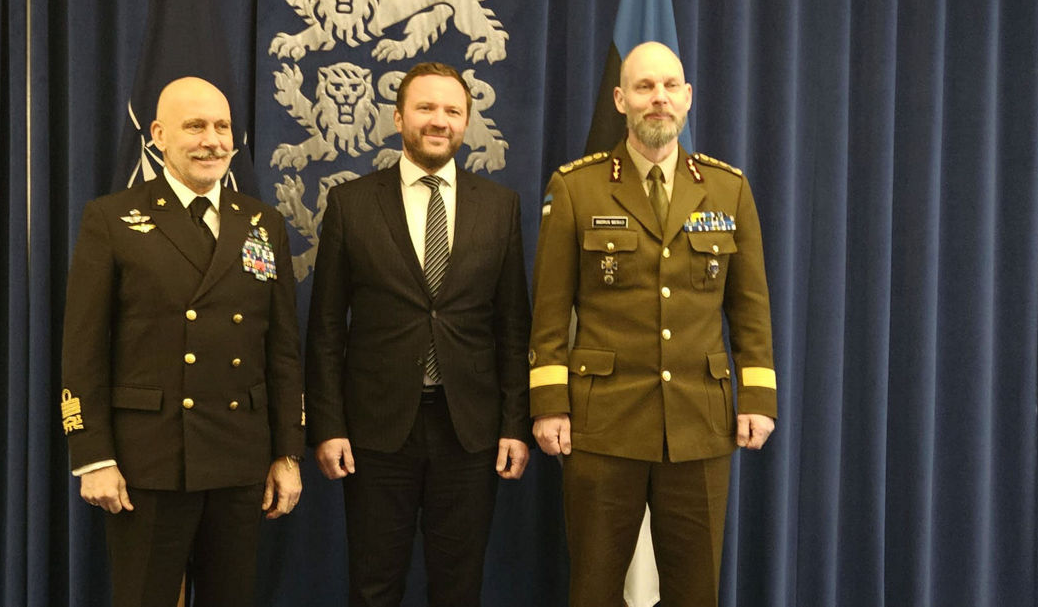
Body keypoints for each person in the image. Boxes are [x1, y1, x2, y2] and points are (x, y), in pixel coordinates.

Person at [528, 42, 777, 607]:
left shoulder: (728, 188)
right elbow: (549, 309)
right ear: (621, 99)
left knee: (695, 592)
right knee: (592, 588)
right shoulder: (576, 187)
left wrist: (757, 395)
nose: (657, 99)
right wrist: (549, 404)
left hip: (699, 422)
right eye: (643, 87)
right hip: (602, 421)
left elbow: (750, 306)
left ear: (687, 99)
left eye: (669, 87)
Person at [59, 76, 304, 607]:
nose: (212, 140)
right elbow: (83, 349)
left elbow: (282, 350)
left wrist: (287, 451)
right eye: (195, 126)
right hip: (149, 461)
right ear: (158, 135)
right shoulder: (113, 218)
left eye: (222, 127)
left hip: (240, 459)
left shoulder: (265, 222)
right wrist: (93, 455)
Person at [306, 62, 532, 607]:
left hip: (470, 431)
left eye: (453, 111)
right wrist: (329, 426)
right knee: (374, 584)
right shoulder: (351, 203)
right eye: (426, 108)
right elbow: (327, 328)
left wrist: (514, 424)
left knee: (459, 587)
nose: (439, 121)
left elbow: (512, 326)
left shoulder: (500, 207)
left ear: (467, 122)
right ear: (398, 117)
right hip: (376, 432)